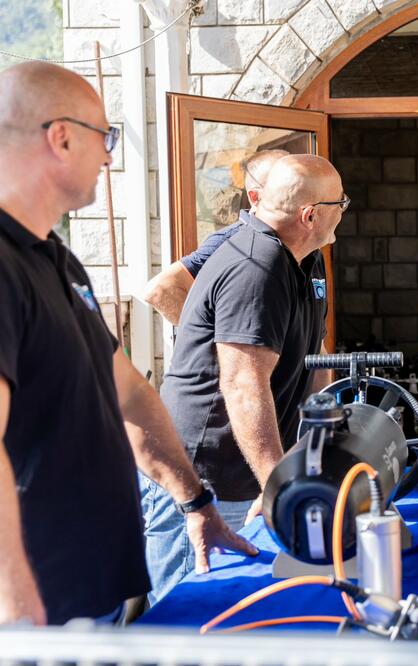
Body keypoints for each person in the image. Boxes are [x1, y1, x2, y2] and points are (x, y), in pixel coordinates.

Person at [0, 62, 255, 625]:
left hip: (96, 590)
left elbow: (129, 394)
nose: (111, 157)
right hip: (36, 610)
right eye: (105, 136)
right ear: (61, 136)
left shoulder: (58, 261)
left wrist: (196, 502)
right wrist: (17, 610)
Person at [143, 154, 346, 601]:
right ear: (309, 215)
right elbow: (243, 385)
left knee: (235, 614)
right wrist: (278, 486)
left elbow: (314, 355)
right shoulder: (257, 265)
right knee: (188, 613)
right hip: (206, 478)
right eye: (341, 203)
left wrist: (318, 443)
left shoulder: (302, 255)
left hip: (245, 471)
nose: (345, 210)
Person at [143, 149, 290, 326]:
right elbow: (160, 290)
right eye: (285, 184)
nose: (297, 187)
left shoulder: (306, 246)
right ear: (255, 196)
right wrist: (214, 345)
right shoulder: (230, 241)